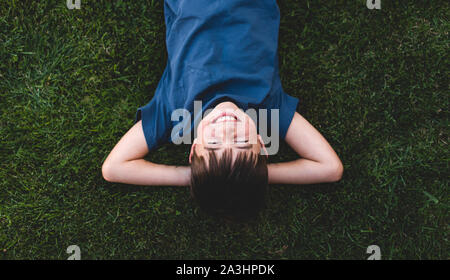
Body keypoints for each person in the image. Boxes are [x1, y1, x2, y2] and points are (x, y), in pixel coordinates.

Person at [102, 0, 343, 221]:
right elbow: (329, 168)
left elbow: (114, 168)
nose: (227, 127)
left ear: (194, 147)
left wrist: (193, 176)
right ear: (261, 142)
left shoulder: (176, 114)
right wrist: (253, 175)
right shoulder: (268, 111)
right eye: (241, 141)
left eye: (214, 142)